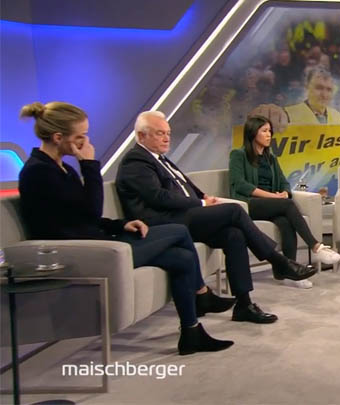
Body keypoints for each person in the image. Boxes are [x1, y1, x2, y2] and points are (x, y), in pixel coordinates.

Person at [17, 101, 234, 355]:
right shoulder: (38, 173)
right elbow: (89, 213)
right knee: (178, 230)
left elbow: (82, 217)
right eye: (80, 137)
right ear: (57, 137)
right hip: (80, 253)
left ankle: (191, 332)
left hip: (96, 240)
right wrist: (89, 165)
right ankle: (202, 295)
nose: (86, 142)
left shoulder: (61, 169)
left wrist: (121, 224)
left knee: (182, 257)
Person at [116, 111, 317, 324]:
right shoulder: (135, 160)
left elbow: (184, 185)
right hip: (162, 223)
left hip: (183, 216)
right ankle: (279, 262)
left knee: (234, 235)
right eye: (160, 133)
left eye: (168, 133)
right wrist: (200, 204)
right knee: (234, 210)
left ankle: (244, 305)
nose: (166, 138)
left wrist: (203, 196)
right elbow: (158, 197)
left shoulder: (160, 159)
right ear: (141, 135)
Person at [228, 114, 340, 288]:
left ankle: (288, 273)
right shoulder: (238, 155)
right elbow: (240, 184)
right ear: (252, 133)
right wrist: (274, 197)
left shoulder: (271, 158)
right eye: (264, 131)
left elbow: (283, 182)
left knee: (285, 222)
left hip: (271, 205)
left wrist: (284, 192)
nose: (269, 135)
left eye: (270, 131)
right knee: (287, 205)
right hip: (248, 204)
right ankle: (316, 247)